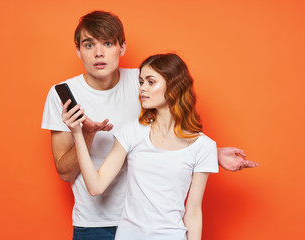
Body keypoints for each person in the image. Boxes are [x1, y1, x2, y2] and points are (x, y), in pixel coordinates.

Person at [41, 10, 258, 240]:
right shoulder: (64, 96)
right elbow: (66, 173)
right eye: (89, 45)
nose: (99, 53)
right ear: (78, 50)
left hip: (154, 223)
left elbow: (167, 132)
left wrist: (209, 153)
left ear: (121, 48)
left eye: (107, 43)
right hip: (95, 221)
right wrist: (85, 133)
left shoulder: (142, 81)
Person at [65, 53, 218, 240]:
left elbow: (193, 212)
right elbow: (95, 186)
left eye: (151, 82)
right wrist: (77, 132)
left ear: (174, 86)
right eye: (141, 81)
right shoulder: (132, 133)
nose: (142, 88)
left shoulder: (203, 146)